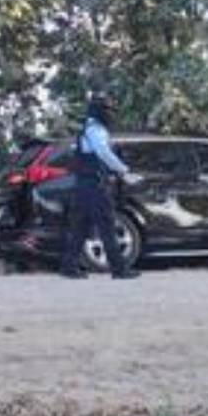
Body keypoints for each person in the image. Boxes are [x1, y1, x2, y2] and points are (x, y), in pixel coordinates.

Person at [60, 89, 142, 280]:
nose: (110, 113)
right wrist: (124, 170)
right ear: (99, 110)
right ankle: (119, 270)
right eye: (107, 109)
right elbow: (104, 154)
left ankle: (69, 267)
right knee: (107, 225)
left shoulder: (86, 129)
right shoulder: (95, 130)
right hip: (95, 186)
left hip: (83, 186)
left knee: (80, 227)